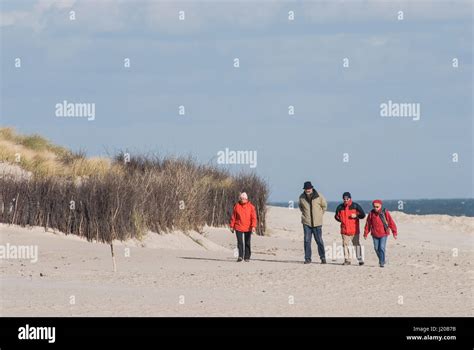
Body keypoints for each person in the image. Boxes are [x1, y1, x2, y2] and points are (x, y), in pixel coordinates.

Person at [298, 181, 328, 264]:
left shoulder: (319, 196)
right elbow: (301, 207)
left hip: (317, 223)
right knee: (307, 241)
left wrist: (320, 215)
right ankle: (307, 258)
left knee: (319, 241)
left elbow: (324, 206)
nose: (307, 190)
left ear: (312, 188)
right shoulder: (301, 197)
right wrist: (305, 215)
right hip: (306, 223)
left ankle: (323, 257)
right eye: (306, 189)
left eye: (309, 188)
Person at [364, 199, 398, 268]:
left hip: (384, 234)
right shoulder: (371, 213)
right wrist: (366, 233)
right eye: (374, 206)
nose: (375, 208)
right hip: (374, 234)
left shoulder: (385, 212)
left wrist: (394, 232)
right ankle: (382, 259)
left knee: (382, 247)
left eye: (377, 207)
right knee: (376, 248)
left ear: (380, 206)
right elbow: (368, 224)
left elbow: (391, 222)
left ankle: (382, 262)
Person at [334, 192, 366, 266]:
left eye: (347, 199)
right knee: (345, 245)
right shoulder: (340, 207)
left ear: (350, 198)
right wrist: (341, 221)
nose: (345, 200)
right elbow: (336, 216)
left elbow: (363, 215)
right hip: (344, 230)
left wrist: (356, 216)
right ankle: (347, 260)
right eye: (344, 199)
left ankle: (360, 259)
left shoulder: (355, 206)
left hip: (354, 230)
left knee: (356, 245)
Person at [229, 192, 257, 262]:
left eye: (244, 199)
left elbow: (254, 217)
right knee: (240, 242)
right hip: (238, 227)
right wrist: (232, 226)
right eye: (241, 198)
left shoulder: (251, 207)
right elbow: (233, 217)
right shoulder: (237, 206)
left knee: (247, 242)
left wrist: (253, 226)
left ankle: (247, 257)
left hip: (248, 227)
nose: (242, 200)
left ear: (246, 199)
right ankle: (240, 256)